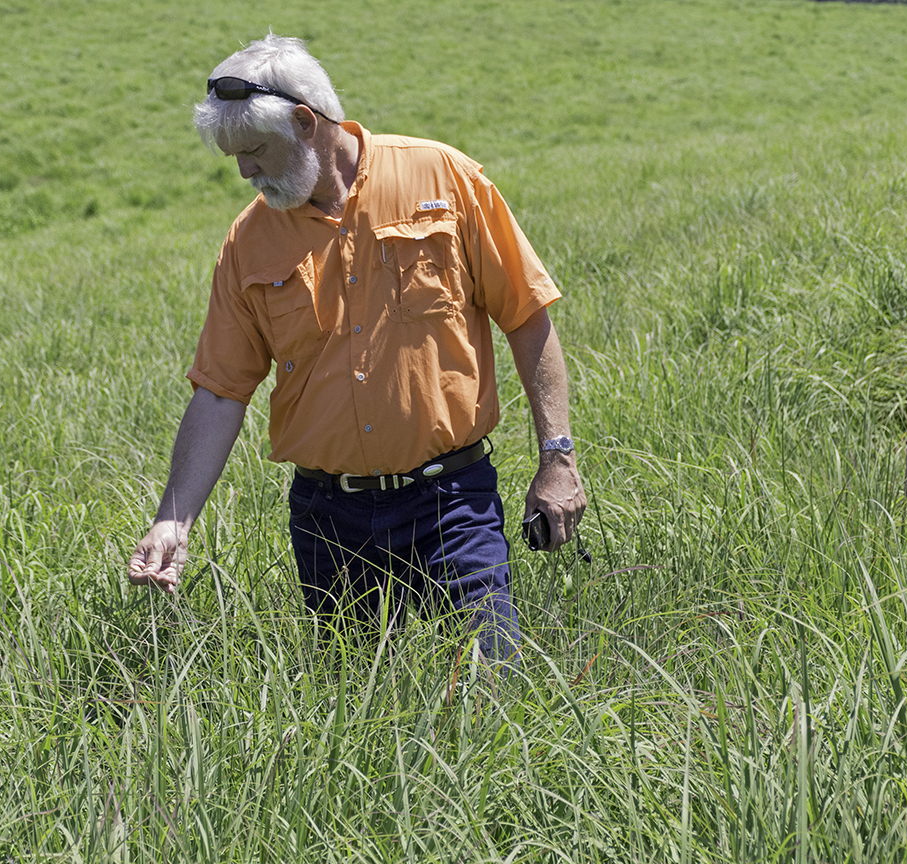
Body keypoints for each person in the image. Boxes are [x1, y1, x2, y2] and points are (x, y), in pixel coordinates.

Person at [126, 33, 586, 659]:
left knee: (490, 687)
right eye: (235, 156)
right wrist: (173, 519)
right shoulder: (248, 241)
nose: (245, 171)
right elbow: (220, 392)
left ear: (305, 121)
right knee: (359, 717)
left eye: (256, 150)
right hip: (329, 521)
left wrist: (556, 456)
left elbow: (527, 316)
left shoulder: (443, 177)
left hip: (451, 502)